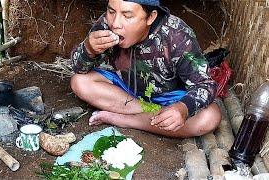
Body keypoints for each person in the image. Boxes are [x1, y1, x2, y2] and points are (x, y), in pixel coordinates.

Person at [70, 0, 221, 138]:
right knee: (79, 82)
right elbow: (78, 67)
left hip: (169, 98)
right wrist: (89, 49)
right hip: (126, 92)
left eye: (127, 16)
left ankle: (126, 120)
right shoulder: (106, 24)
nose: (115, 23)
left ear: (151, 17)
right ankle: (148, 113)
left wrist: (183, 108)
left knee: (210, 117)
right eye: (111, 12)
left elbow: (206, 85)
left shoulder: (177, 36)